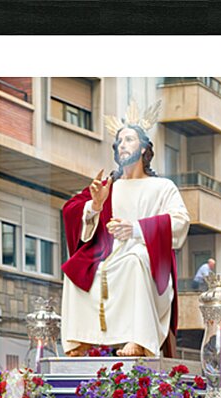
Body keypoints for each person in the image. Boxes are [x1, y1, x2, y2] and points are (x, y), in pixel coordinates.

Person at [60, 100, 190, 358]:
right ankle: (83, 336)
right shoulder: (109, 186)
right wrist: (95, 205)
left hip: (147, 254)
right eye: (119, 141)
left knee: (133, 260)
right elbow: (71, 210)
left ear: (143, 148)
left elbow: (180, 221)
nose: (122, 145)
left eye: (129, 140)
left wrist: (137, 229)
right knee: (75, 268)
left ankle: (138, 338)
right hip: (109, 253)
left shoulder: (162, 186)